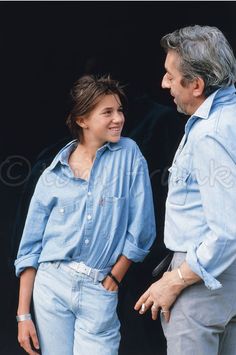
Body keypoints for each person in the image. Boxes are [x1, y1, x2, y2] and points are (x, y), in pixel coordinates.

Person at [15, 74, 156, 355]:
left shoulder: (129, 154)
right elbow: (30, 249)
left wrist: (115, 277)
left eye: (120, 110)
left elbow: (142, 227)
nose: (119, 118)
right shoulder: (52, 175)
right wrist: (23, 315)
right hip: (51, 285)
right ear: (82, 120)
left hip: (99, 286)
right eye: (108, 112)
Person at [134, 25, 236, 355]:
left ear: (196, 85)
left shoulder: (211, 134)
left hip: (201, 286)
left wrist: (174, 280)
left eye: (170, 75)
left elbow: (228, 232)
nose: (164, 84)